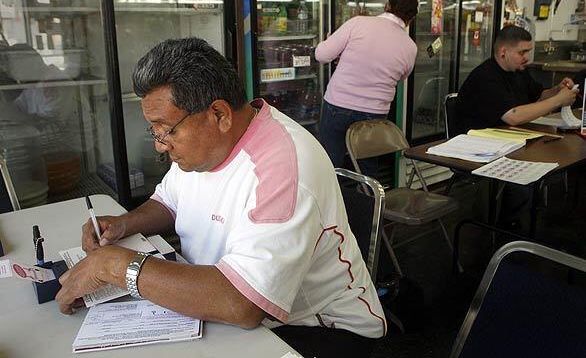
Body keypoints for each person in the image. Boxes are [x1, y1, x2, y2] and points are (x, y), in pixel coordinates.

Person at [55, 38, 386, 358]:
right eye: (154, 131)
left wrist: (116, 266)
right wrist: (122, 224)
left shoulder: (284, 167)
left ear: (219, 114)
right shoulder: (202, 149)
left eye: (165, 129)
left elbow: (242, 304)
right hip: (227, 300)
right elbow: (168, 202)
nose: (159, 144)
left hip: (315, 329)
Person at [454, 25, 578, 228]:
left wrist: (557, 90)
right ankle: (505, 232)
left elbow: (539, 95)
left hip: (509, 142)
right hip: (478, 148)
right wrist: (557, 101)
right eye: (522, 52)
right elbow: (513, 116)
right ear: (503, 52)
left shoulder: (518, 72)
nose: (527, 58)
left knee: (548, 164)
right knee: (523, 182)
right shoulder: (486, 77)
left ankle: (519, 228)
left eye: (528, 52)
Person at [315, 0, 420, 177]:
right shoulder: (410, 47)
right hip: (374, 113)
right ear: (411, 18)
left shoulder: (358, 23)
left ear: (388, 5)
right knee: (367, 168)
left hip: (338, 104)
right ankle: (370, 202)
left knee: (331, 163)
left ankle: (334, 204)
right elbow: (401, 77)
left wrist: (334, 45)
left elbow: (321, 55)